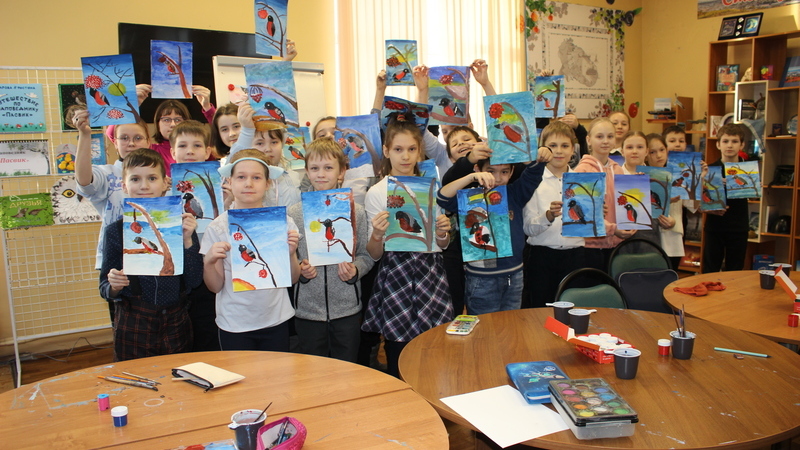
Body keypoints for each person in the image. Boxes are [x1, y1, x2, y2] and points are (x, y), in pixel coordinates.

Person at [362, 121, 453, 378]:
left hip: (430, 273)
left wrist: (443, 232)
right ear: (387, 151)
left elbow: (442, 245)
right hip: (397, 273)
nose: (405, 156)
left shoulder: (431, 188)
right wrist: (377, 234)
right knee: (398, 350)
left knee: (432, 347)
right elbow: (374, 254)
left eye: (412, 149)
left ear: (419, 151)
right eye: (398, 149)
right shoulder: (377, 192)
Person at [99, 148, 203, 361]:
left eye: (152, 178)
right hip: (134, 321)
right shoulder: (115, 232)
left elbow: (194, 281)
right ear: (124, 185)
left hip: (176, 320)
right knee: (134, 376)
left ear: (165, 183)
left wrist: (187, 240)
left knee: (178, 374)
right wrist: (114, 284)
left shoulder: (182, 226)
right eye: (135, 179)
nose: (144, 186)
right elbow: (105, 288)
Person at [437, 133, 551, 315]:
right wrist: (471, 178)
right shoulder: (470, 198)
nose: (497, 178)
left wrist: (532, 153)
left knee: (511, 324)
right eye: (491, 171)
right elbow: (443, 197)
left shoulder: (515, 193)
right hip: (481, 279)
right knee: (485, 328)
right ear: (479, 169)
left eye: (504, 172)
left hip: (514, 275)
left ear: (511, 172)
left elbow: (535, 170)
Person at [201, 149, 300, 351]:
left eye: (256, 177)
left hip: (276, 319)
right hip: (235, 323)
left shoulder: (283, 223)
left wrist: (290, 254)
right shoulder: (217, 228)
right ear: (229, 181)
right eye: (241, 177)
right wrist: (209, 262)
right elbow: (215, 287)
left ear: (268, 183)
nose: (248, 183)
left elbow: (292, 278)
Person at [288, 138, 374, 362]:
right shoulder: (294, 214)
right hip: (307, 311)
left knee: (347, 369)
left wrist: (355, 270)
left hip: (346, 310)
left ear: (341, 172)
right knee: (311, 371)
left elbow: (366, 256)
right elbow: (289, 258)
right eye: (315, 168)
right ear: (307, 171)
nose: (321, 174)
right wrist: (300, 269)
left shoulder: (357, 212)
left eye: (328, 168)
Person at [73, 110, 152, 321]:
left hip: (153, 255)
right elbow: (84, 182)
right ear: (114, 143)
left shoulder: (160, 176)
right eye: (124, 138)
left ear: (148, 141)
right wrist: (85, 135)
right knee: (126, 322)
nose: (131, 143)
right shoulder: (107, 174)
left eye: (138, 138)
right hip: (118, 260)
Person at [168, 120, 221, 352]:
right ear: (172, 152)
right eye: (182, 146)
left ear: (208, 151)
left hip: (210, 262)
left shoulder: (219, 184)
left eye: (197, 145)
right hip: (180, 268)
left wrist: (228, 200)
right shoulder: (164, 188)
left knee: (207, 328)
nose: (189, 151)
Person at [523, 121, 585, 308]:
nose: (559, 151)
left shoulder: (583, 183)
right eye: (552, 146)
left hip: (576, 257)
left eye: (565, 146)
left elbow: (589, 225)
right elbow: (528, 228)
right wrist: (548, 216)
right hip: (542, 258)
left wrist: (599, 215)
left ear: (573, 149)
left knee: (573, 311)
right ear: (543, 148)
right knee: (541, 311)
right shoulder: (533, 181)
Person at [574, 117, 635, 271]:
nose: (605, 141)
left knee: (612, 284)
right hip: (589, 246)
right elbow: (581, 214)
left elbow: (626, 206)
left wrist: (631, 227)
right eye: (599, 136)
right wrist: (612, 229)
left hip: (616, 244)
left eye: (610, 136)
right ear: (588, 140)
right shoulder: (582, 171)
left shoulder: (618, 170)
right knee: (593, 284)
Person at [226, 103, 301, 207]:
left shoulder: (294, 177)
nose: (268, 149)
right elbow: (232, 162)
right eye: (260, 143)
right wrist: (247, 130)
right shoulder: (246, 181)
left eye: (274, 142)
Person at [137, 86, 217, 175]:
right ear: (157, 123)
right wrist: (132, 105)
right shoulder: (149, 150)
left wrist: (207, 108)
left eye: (178, 120)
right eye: (166, 120)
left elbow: (221, 133)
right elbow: (125, 136)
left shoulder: (202, 150)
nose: (173, 124)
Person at [703, 123, 749, 272]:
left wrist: (754, 186)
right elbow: (702, 200)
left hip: (739, 227)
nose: (729, 145)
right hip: (715, 227)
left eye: (734, 141)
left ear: (742, 145)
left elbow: (749, 193)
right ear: (718, 144)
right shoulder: (710, 169)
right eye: (725, 141)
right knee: (710, 269)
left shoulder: (747, 170)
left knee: (735, 270)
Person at [646, 133, 683, 270]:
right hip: (651, 236)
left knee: (671, 273)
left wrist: (700, 178)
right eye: (653, 152)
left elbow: (693, 206)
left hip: (673, 235)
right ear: (646, 154)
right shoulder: (641, 176)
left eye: (662, 150)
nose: (659, 155)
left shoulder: (677, 176)